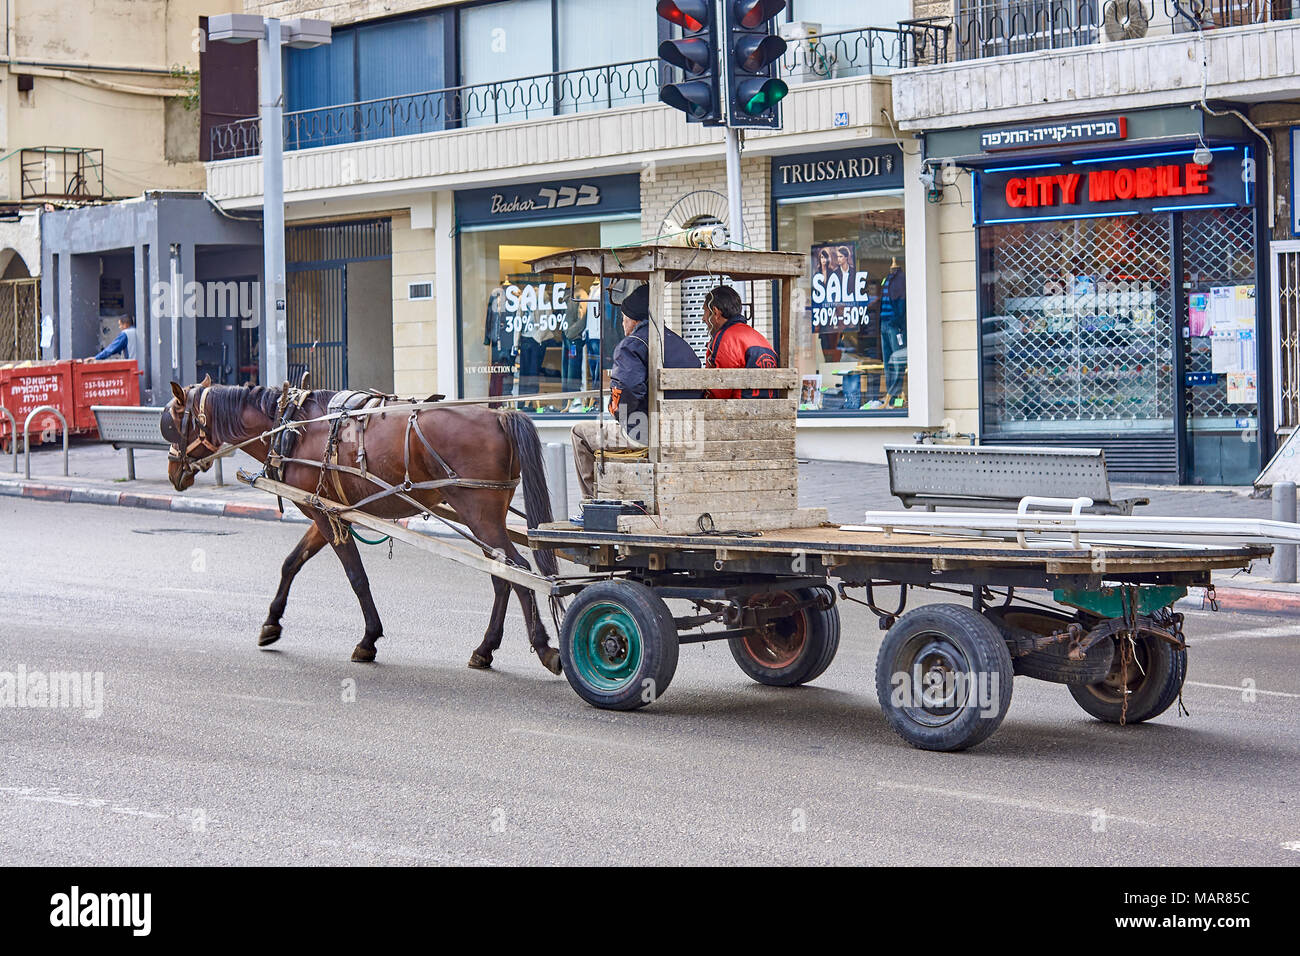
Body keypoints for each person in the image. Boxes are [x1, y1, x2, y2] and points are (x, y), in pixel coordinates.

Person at [569, 282, 702, 504]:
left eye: (623, 318)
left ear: (634, 319)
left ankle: (590, 504)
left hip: (649, 433)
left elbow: (627, 391)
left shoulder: (631, 345)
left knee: (579, 432)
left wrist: (615, 411)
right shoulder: (681, 344)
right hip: (684, 429)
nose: (622, 324)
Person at [701, 285, 779, 399]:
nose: (703, 318)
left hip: (739, 413)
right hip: (767, 411)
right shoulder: (760, 338)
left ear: (716, 312)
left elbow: (718, 390)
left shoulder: (726, 339)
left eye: (705, 312)